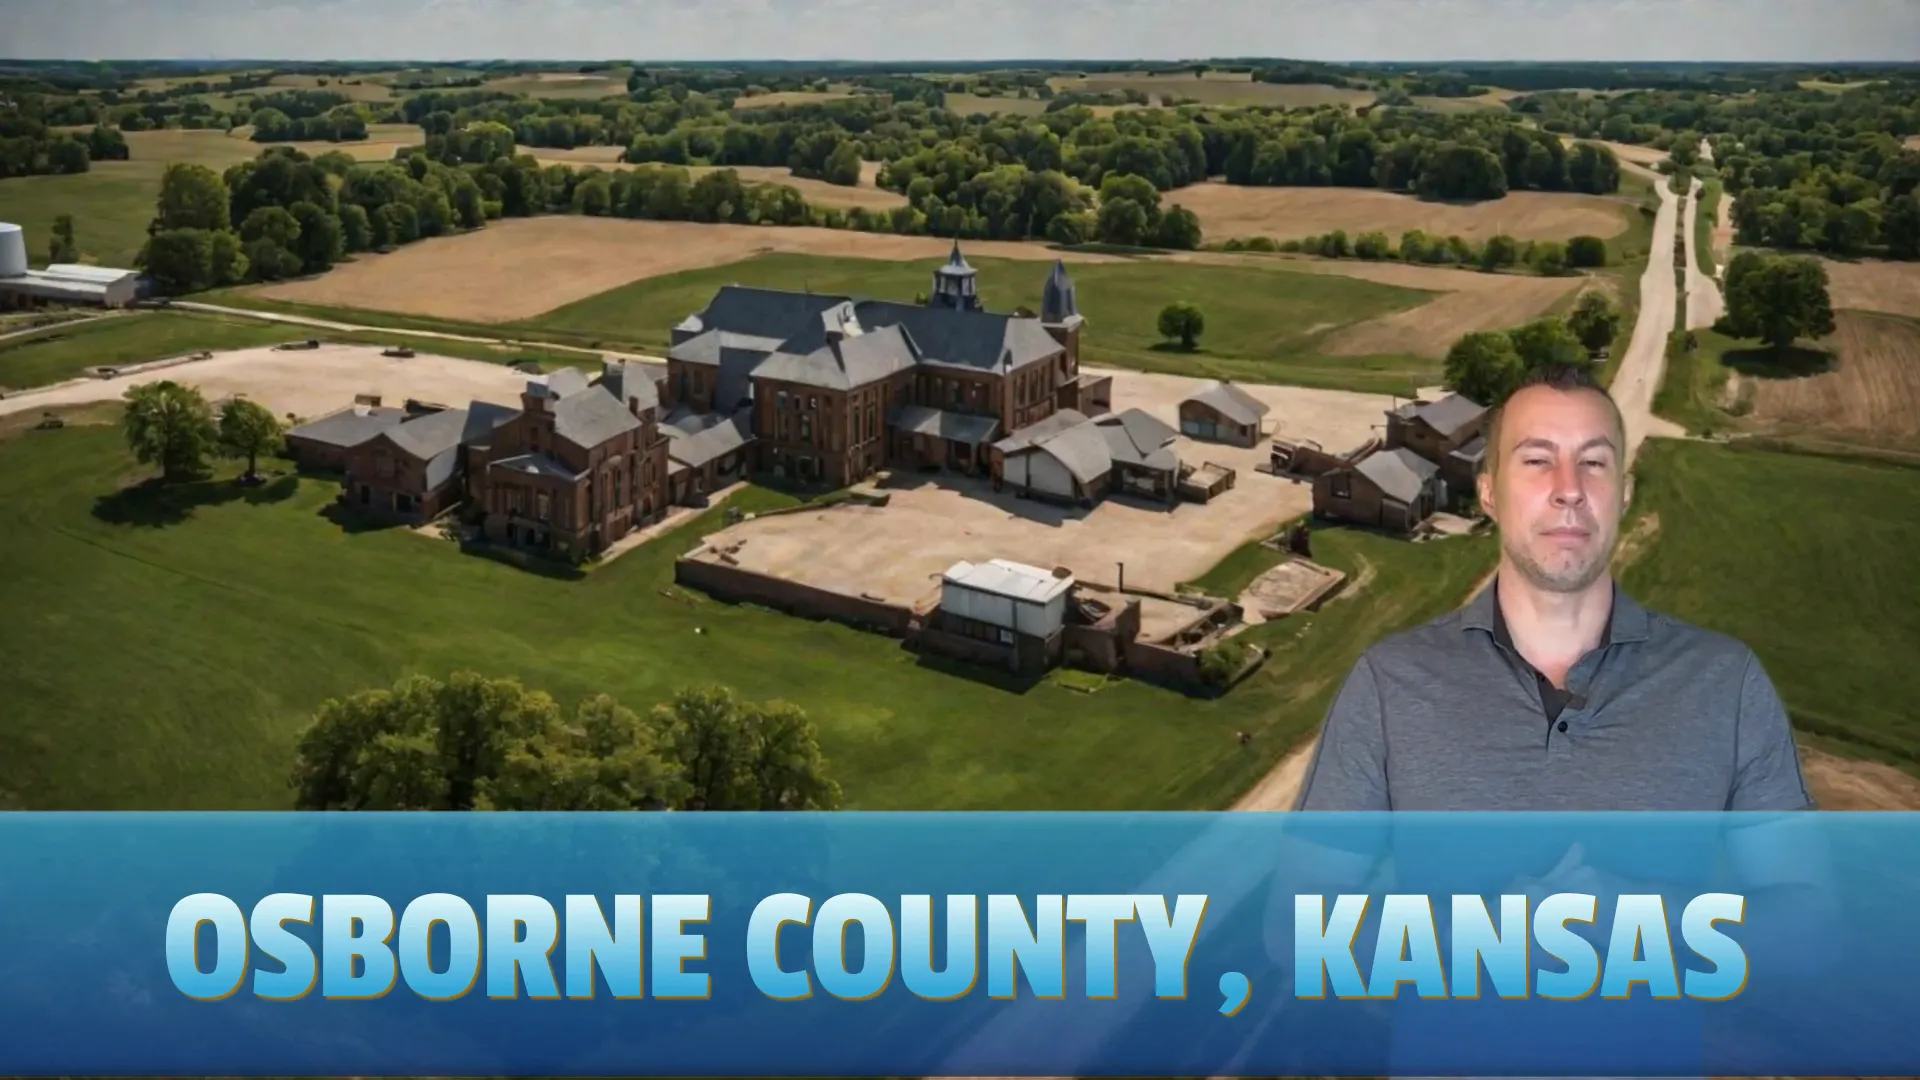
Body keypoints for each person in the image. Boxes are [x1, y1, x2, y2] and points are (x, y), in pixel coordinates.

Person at [1295, 362, 1815, 813]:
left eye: (1593, 463)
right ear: (1489, 493)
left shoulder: (1726, 684)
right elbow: (1301, 913)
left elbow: (1805, 907)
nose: (1569, 490)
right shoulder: (1389, 686)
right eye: (1537, 460)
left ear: (1624, 495)